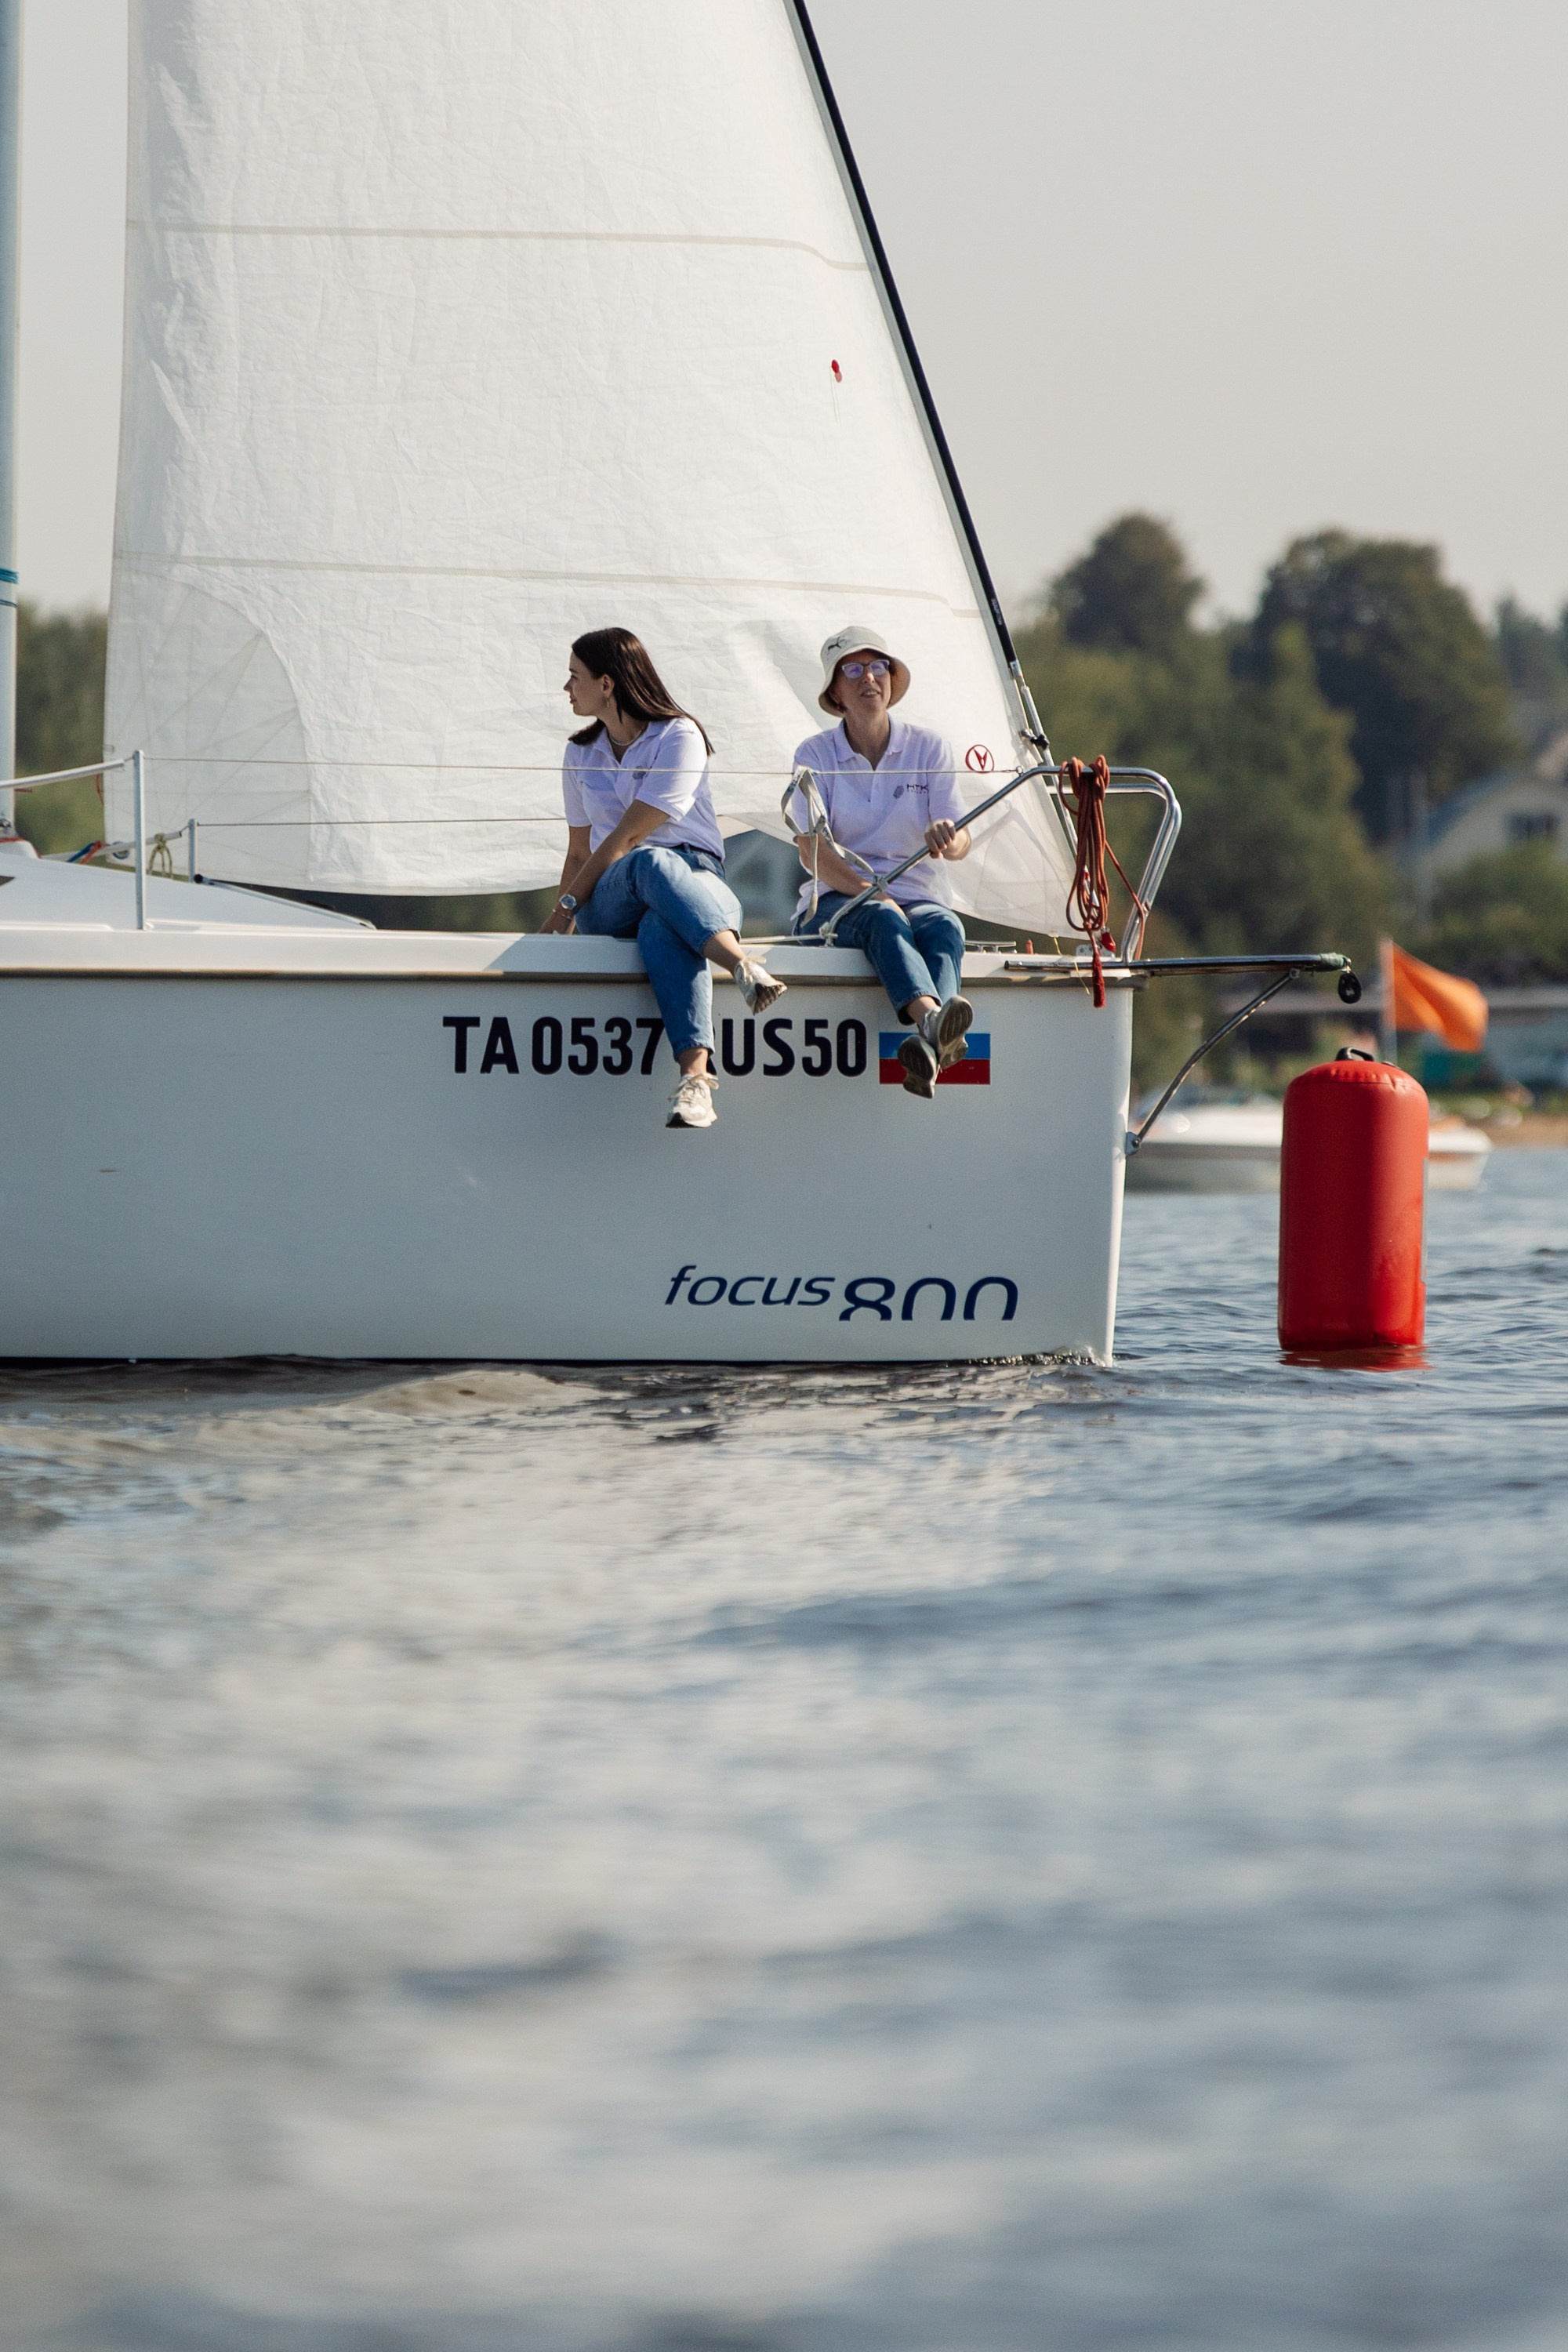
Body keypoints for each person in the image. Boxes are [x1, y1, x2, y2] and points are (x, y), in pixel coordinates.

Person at [543, 627, 786, 1130]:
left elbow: (630, 836)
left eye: (574, 677)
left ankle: (695, 1083)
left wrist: (562, 909)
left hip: (698, 878)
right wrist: (560, 919)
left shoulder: (679, 736)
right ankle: (740, 965)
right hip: (612, 893)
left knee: (661, 921)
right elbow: (583, 850)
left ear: (606, 684)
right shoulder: (579, 754)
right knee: (651, 864)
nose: (566, 688)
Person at [789, 625, 974, 1098]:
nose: (868, 677)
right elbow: (811, 850)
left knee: (945, 927)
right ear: (835, 691)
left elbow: (961, 841)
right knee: (882, 920)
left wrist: (947, 839)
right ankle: (936, 1026)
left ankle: (929, 1048)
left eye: (878, 667)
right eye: (852, 669)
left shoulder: (929, 748)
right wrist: (874, 894)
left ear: (891, 681)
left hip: (917, 896)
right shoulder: (813, 754)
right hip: (835, 903)